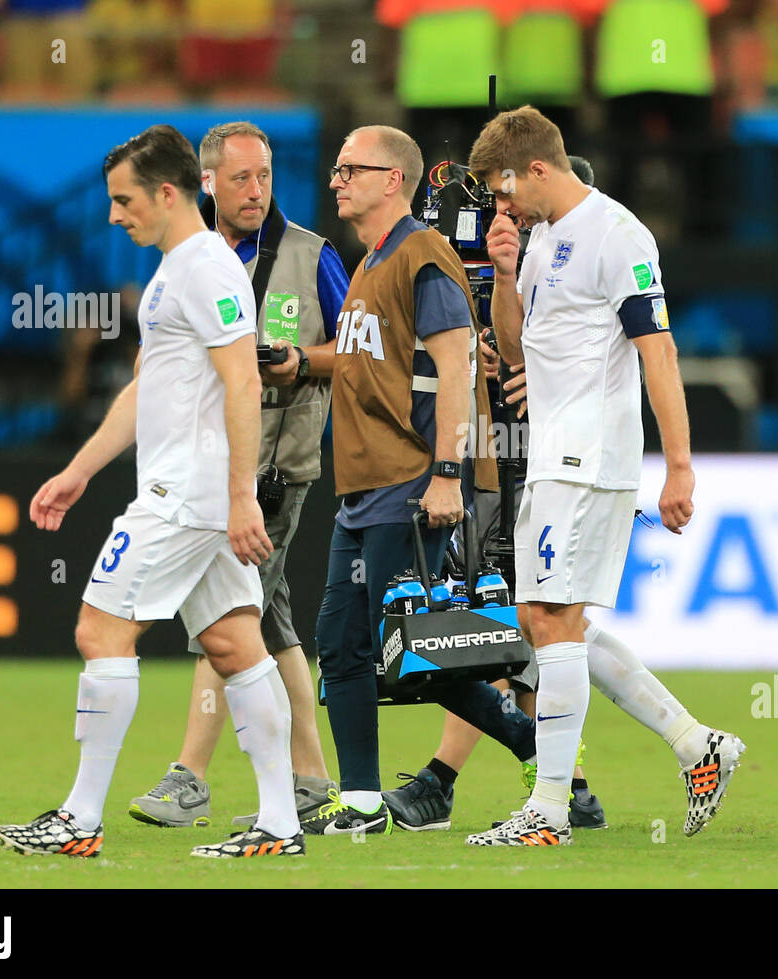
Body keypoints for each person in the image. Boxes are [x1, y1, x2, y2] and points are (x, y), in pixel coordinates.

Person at [0, 124, 307, 860]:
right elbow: (148, 388)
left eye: (123, 199)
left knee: (99, 631)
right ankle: (280, 823)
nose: (112, 215)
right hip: (194, 491)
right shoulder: (177, 269)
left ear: (168, 193)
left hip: (186, 495)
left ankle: (79, 817)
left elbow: (243, 378)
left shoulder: (205, 271)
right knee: (236, 645)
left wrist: (239, 497)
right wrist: (80, 469)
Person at [463, 105, 745, 847]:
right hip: (554, 451)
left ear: (538, 169)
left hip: (589, 458)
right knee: (549, 623)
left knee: (550, 622)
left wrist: (679, 467)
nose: (500, 205)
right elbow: (518, 346)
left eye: (501, 190)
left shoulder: (620, 235)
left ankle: (549, 810)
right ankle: (696, 745)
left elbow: (659, 352)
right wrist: (500, 270)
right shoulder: (541, 237)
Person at [309, 124, 545, 835]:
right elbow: (364, 364)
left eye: (353, 168)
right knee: (348, 645)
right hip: (362, 485)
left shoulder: (422, 254)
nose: (336, 179)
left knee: (412, 651)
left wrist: (446, 474)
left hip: (410, 479)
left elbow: (456, 367)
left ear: (394, 180)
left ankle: (534, 742)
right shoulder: (370, 263)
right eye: (337, 168)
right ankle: (360, 802)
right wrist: (298, 361)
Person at [126, 121, 349, 832]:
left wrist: (302, 362)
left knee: (227, 621)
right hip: (207, 473)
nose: (257, 191)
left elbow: (362, 350)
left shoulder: (311, 256)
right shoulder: (187, 258)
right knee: (267, 621)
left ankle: (189, 777)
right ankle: (312, 780)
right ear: (209, 182)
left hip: (274, 473)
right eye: (242, 178)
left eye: (266, 176)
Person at [382, 155, 609, 834]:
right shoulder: (517, 255)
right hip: (501, 459)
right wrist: (477, 343)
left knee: (515, 623)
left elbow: (590, 348)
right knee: (518, 622)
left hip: (552, 460)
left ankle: (457, 781)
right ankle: (568, 781)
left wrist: (514, 357)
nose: (508, 212)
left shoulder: (580, 258)